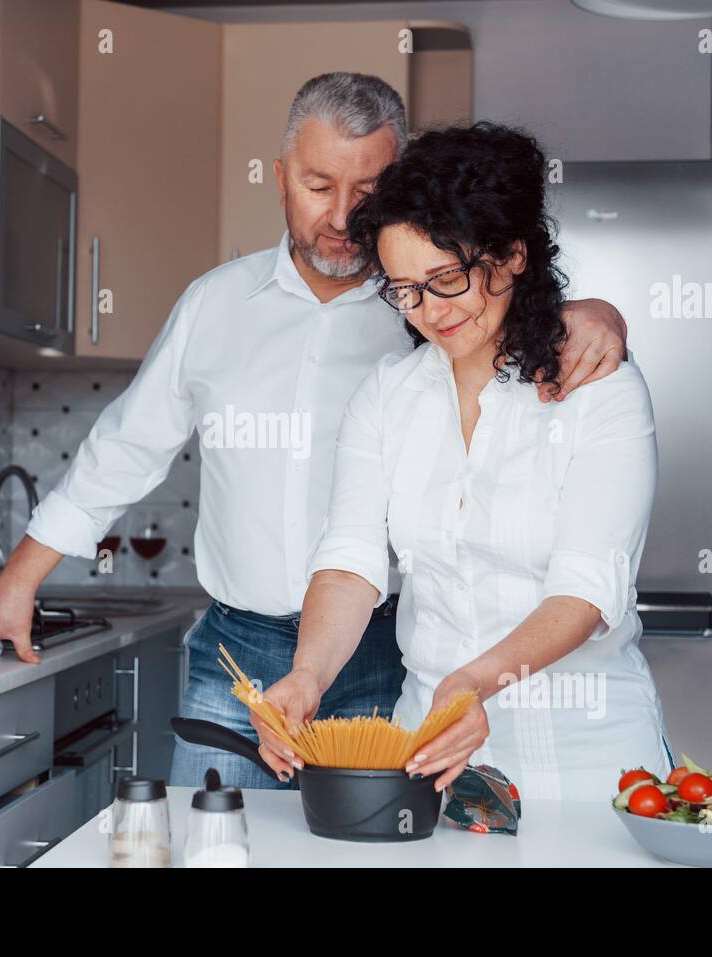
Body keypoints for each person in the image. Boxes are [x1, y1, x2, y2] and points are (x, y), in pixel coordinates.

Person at [0, 75, 631, 791]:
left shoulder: (424, 313)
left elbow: (500, 312)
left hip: (388, 651)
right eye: (319, 183)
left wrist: (593, 310)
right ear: (280, 178)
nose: (341, 215)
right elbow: (125, 449)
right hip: (238, 653)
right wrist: (18, 581)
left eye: (369, 189)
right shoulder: (217, 306)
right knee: (216, 840)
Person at [250, 122, 674, 800]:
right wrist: (308, 675)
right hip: (429, 764)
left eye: (446, 279)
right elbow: (351, 562)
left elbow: (588, 589)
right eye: (404, 288)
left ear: (509, 256)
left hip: (594, 766)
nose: (427, 311)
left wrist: (476, 681)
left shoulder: (601, 391)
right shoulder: (386, 398)